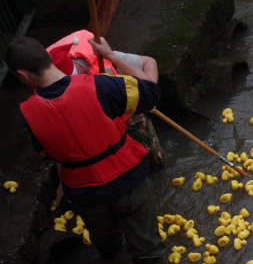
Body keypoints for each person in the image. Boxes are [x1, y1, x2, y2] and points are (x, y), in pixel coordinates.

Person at [5, 34, 168, 264]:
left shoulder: (29, 113)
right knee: (148, 248)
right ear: (49, 58)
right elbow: (152, 94)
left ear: (24, 76)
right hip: (128, 180)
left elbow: (46, 153)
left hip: (85, 193)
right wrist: (112, 56)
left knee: (106, 243)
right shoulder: (102, 86)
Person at [46, 29, 166, 169]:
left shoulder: (101, 57)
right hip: (95, 130)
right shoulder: (51, 96)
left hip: (125, 111)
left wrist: (147, 97)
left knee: (156, 160)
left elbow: (149, 64)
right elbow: (59, 139)